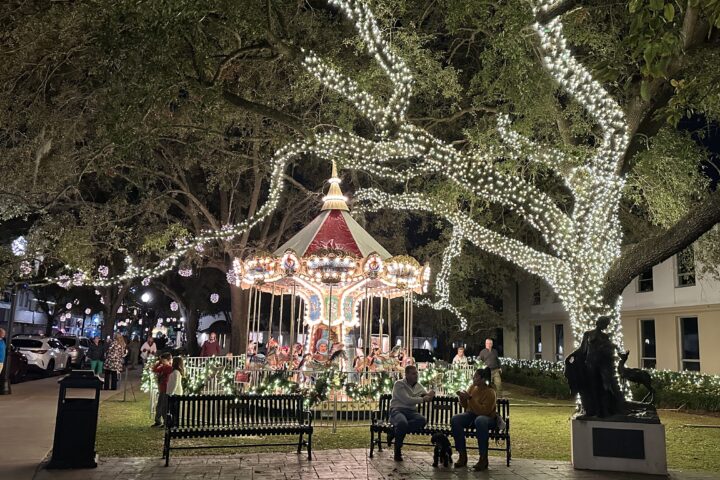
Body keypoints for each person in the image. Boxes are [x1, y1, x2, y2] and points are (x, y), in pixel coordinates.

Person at [450, 367, 498, 471]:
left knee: (480, 420)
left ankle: (483, 458)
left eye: (476, 377)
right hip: (472, 416)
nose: (473, 378)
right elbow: (466, 406)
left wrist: (470, 399)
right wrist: (462, 398)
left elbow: (484, 412)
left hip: (487, 418)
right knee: (456, 419)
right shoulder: (472, 387)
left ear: (482, 379)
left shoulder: (490, 392)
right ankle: (462, 455)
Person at [388, 365, 435, 461]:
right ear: (407, 374)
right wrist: (423, 399)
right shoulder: (399, 384)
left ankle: (394, 432)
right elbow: (407, 400)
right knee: (402, 423)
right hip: (398, 410)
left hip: (411, 412)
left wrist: (431, 393)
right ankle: (397, 450)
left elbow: (426, 396)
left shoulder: (418, 386)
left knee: (422, 420)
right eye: (413, 373)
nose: (416, 375)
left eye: (416, 373)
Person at [152, 352, 173, 427]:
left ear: (169, 360)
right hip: (162, 389)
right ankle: (158, 421)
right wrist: (158, 363)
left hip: (166, 389)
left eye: (164, 361)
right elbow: (154, 370)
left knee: (164, 407)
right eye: (162, 361)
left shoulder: (169, 368)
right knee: (159, 406)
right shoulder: (163, 367)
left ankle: (165, 422)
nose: (163, 362)